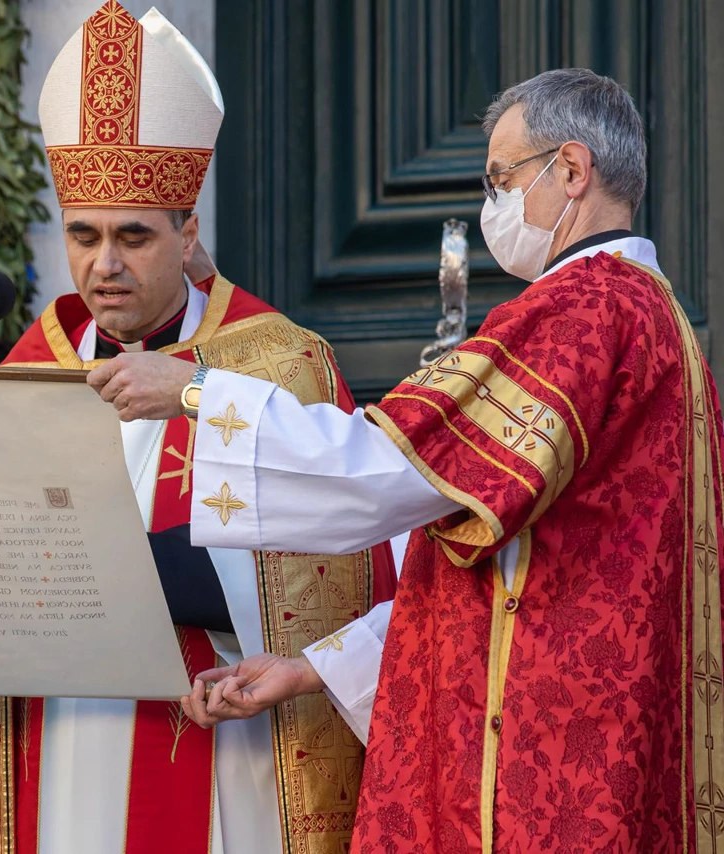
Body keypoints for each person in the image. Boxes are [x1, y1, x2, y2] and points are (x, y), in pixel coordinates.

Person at [90, 68, 722, 852]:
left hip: (544, 767)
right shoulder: (657, 318)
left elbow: (384, 471)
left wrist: (196, 392)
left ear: (571, 170)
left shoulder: (581, 314)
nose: (491, 204)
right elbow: (512, 569)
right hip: (606, 743)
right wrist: (315, 668)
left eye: (501, 179)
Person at [0, 4, 394, 853]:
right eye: (83, 236)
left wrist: (155, 573)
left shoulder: (279, 366)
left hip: (222, 731)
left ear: (188, 233)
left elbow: (338, 575)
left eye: (133, 236)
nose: (105, 264)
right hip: (60, 738)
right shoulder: (28, 371)